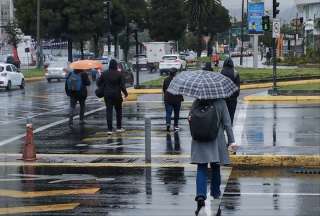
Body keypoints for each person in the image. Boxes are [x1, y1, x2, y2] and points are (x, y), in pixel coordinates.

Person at [190, 99, 237, 215]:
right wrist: (231, 141)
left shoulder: (197, 101)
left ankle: (200, 196)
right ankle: (215, 195)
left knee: (201, 168)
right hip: (216, 140)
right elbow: (227, 123)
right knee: (216, 167)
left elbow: (190, 119)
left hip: (200, 140)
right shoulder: (220, 102)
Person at [97, 59, 128, 135]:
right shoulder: (119, 74)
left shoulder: (104, 73)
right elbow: (122, 85)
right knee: (118, 111)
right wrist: (125, 93)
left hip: (107, 95)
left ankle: (109, 129)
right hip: (117, 95)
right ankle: (118, 127)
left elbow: (98, 83)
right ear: (116, 65)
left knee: (109, 111)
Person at [162, 68, 184, 132]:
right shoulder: (179, 80)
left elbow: (164, 89)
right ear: (175, 73)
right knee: (176, 113)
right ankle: (176, 126)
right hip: (177, 99)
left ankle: (168, 124)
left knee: (168, 113)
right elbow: (181, 89)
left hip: (168, 98)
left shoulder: (166, 80)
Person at [220, 57, 240, 125]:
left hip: (223, 99)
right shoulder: (235, 73)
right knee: (231, 116)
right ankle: (230, 131)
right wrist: (235, 96)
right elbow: (237, 88)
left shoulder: (220, 72)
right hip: (232, 99)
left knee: (223, 117)